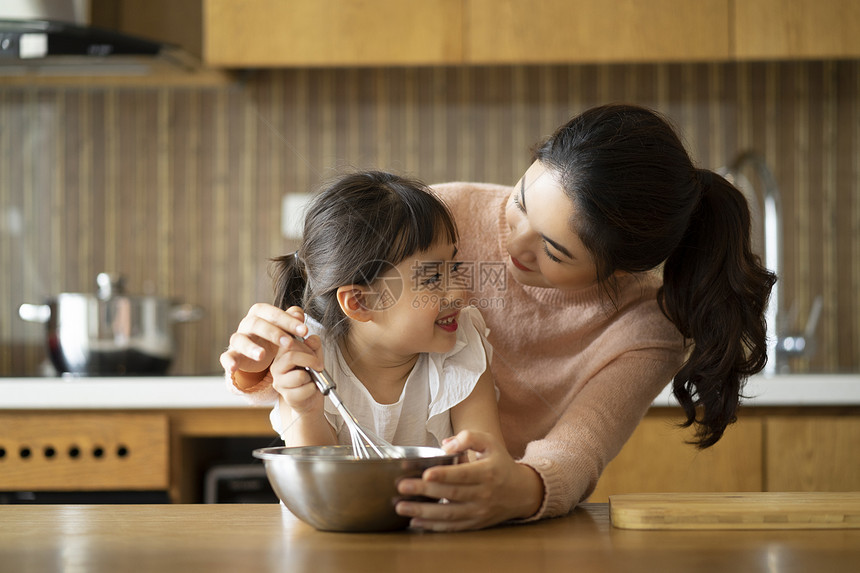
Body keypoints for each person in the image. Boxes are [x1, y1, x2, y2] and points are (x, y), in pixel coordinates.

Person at [221, 104, 776, 531]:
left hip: (480, 520)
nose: (513, 242)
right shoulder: (445, 216)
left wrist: (519, 488)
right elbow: (339, 302)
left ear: (619, 270)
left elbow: (574, 453)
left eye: (554, 252)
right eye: (520, 201)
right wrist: (264, 362)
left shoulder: (644, 331)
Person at [224, 170, 503, 451]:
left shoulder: (462, 342)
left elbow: (483, 467)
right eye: (431, 278)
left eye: (453, 267)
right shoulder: (307, 356)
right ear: (360, 303)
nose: (458, 293)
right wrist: (306, 410)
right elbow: (319, 488)